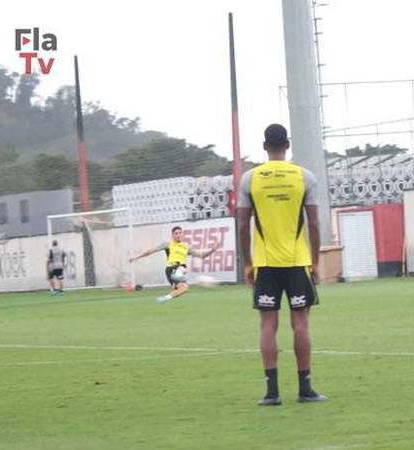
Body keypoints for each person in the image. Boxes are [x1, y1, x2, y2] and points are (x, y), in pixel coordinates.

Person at [238, 123, 327, 406]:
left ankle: (272, 392)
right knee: (301, 324)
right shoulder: (304, 177)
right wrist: (314, 261)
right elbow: (313, 222)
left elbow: (242, 225)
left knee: (268, 325)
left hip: (265, 264)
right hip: (297, 262)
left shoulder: (250, 179)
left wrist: (248, 263)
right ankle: (305, 389)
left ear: (265, 146)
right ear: (287, 145)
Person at [129, 226, 220, 304]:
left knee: (184, 288)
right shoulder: (168, 244)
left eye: (180, 233)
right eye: (176, 233)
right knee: (182, 268)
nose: (178, 235)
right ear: (172, 235)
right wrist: (136, 257)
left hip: (179, 271)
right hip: (172, 268)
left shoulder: (186, 246)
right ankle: (178, 275)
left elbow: (202, 256)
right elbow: (151, 251)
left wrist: (212, 250)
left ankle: (164, 298)